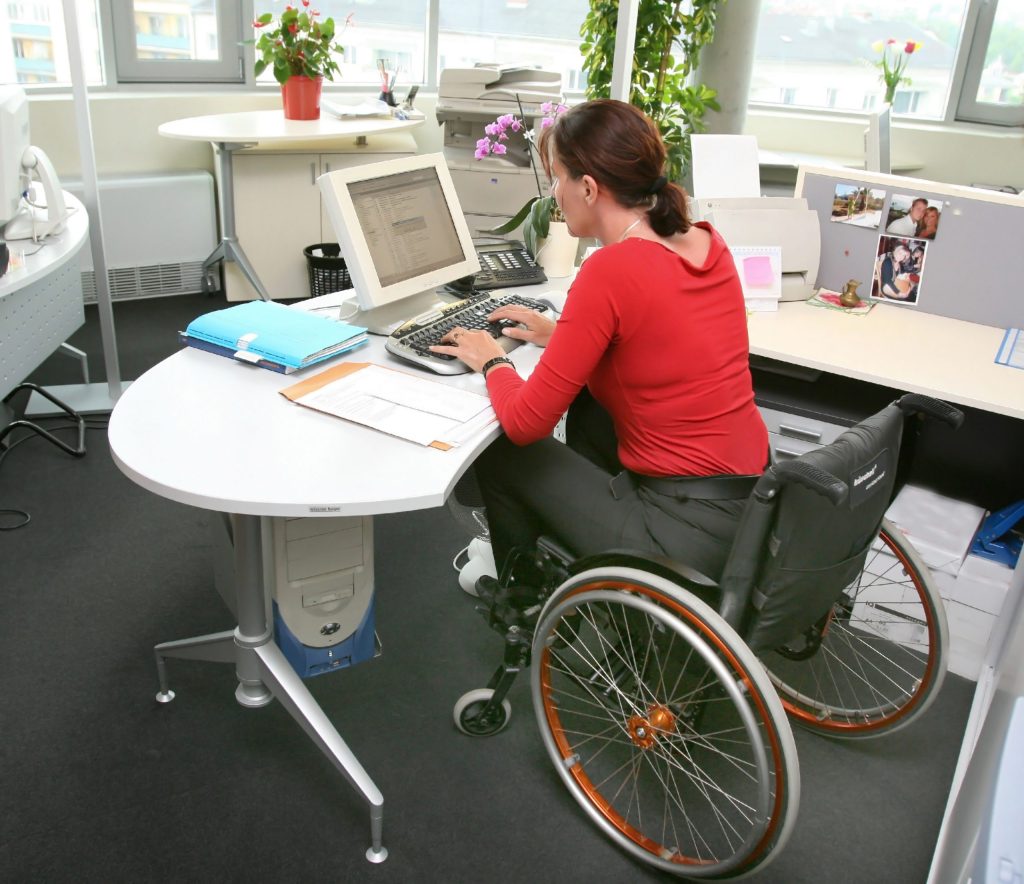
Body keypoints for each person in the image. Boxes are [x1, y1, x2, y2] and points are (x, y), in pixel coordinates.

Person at [429, 99, 768, 593]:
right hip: (752, 503)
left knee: (504, 452)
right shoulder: (706, 242)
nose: (555, 193)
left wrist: (493, 360)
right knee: (588, 409)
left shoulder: (610, 271)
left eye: (558, 179)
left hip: (681, 529)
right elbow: (661, 341)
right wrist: (562, 335)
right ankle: (560, 550)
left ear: (588, 188)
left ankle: (522, 599)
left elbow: (526, 424)